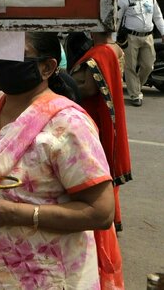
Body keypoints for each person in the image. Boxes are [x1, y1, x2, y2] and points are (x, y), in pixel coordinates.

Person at [0, 32, 115, 289]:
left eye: (15, 55)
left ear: (47, 67)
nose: (3, 61)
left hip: (49, 275)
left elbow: (102, 212)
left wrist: (14, 213)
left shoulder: (68, 125)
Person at [68, 31, 129, 288]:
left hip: (91, 120)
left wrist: (66, 82)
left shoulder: (100, 53)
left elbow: (88, 86)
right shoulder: (113, 51)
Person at [116, 0, 164, 106]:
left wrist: (163, 32)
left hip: (148, 37)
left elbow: (158, 17)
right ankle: (135, 95)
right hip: (131, 37)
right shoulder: (123, 0)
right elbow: (117, 20)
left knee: (149, 65)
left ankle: (136, 87)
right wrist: (113, 39)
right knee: (130, 66)